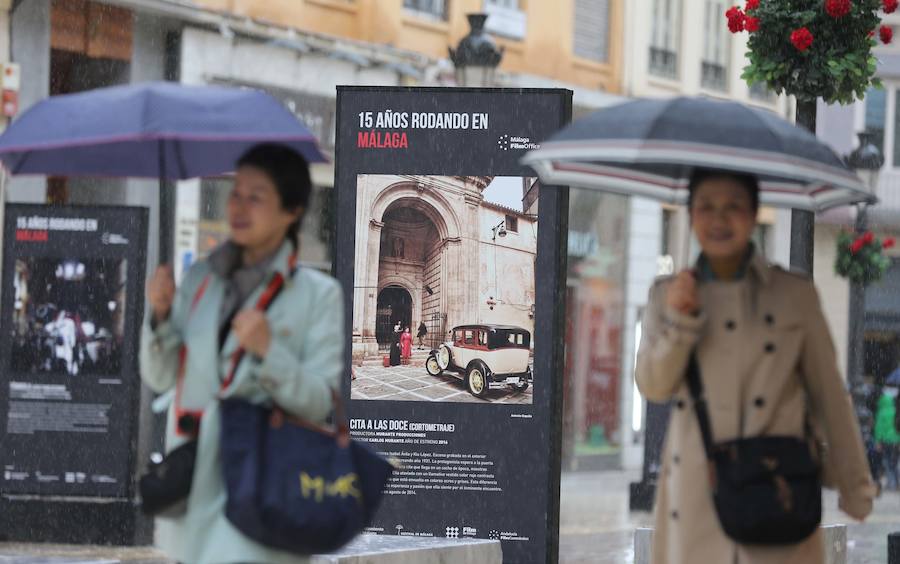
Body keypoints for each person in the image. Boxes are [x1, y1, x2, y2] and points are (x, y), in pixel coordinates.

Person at [635, 169, 874, 564]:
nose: (719, 219)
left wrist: (854, 485)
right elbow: (653, 385)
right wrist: (680, 321)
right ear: (692, 216)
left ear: (753, 214)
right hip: (697, 500)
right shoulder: (667, 295)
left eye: (734, 206)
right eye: (706, 207)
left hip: (777, 491)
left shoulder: (793, 294)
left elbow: (828, 394)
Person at [141, 143, 344, 564]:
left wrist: (270, 352)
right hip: (194, 493)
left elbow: (319, 402)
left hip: (261, 496)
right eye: (236, 193)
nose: (239, 205)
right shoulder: (200, 280)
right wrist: (160, 315)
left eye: (257, 196)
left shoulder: (318, 295)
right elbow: (161, 378)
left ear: (291, 211)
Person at [875, 385, 900, 490]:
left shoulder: (881, 412)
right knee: (894, 462)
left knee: (887, 461)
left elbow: (879, 428)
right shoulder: (896, 410)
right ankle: (896, 482)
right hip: (896, 440)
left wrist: (877, 441)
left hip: (885, 440)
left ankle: (892, 483)